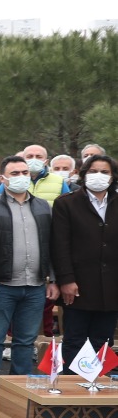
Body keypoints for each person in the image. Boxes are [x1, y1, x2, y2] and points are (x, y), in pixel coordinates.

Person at [0, 156, 55, 407]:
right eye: (15, 173)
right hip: (1, 285)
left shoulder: (43, 207)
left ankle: (19, 387)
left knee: (25, 341)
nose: (21, 177)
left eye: (24, 172)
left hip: (35, 286)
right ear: (3, 178)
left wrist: (52, 279)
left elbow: (51, 245)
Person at [51, 154, 118, 372]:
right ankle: (71, 385)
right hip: (78, 285)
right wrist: (66, 280)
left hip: (111, 286)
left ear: (112, 177)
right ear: (84, 174)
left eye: (104, 172)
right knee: (75, 339)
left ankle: (97, 384)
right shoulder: (66, 203)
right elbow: (60, 245)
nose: (99, 175)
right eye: (93, 171)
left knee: (103, 341)